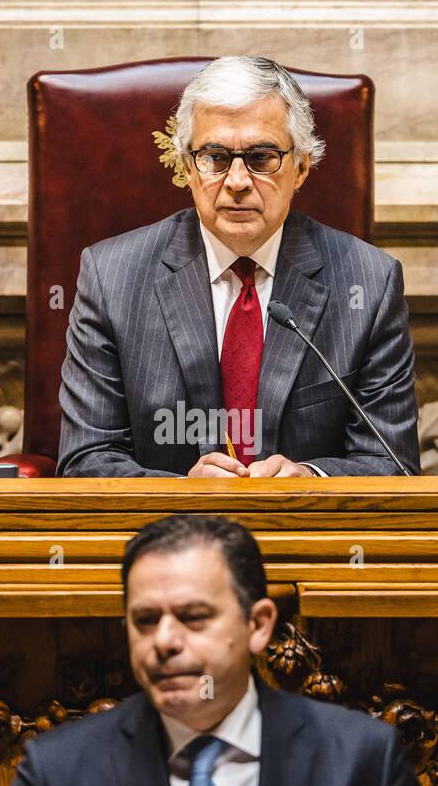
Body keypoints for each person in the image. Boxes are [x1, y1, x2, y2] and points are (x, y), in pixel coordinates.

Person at [0, 514, 438, 786]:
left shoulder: (361, 760)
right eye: (145, 621)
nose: (164, 641)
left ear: (258, 626)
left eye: (194, 617)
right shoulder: (59, 773)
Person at [57, 55, 419, 478]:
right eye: (215, 157)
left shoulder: (369, 283)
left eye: (262, 157)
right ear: (188, 167)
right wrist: (185, 496)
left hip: (306, 537)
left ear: (301, 167)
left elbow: (391, 464)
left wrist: (313, 481)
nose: (237, 181)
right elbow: (87, 459)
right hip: (168, 537)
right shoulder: (111, 277)